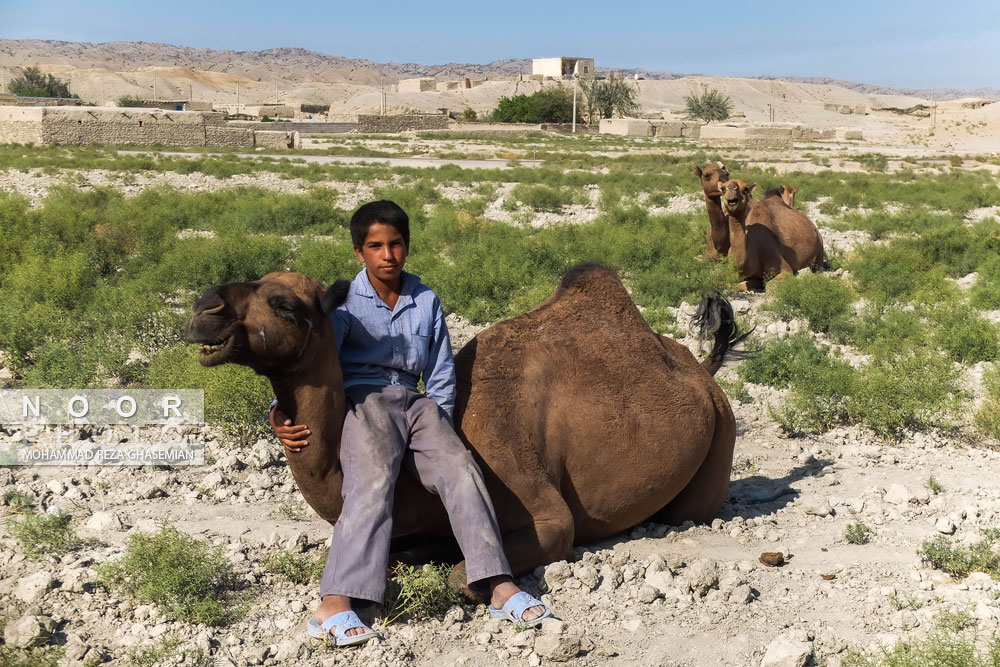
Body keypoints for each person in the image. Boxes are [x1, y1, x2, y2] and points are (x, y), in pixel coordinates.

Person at [270, 200, 551, 647]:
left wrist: (433, 422)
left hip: (416, 401)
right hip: (364, 399)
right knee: (372, 479)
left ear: (407, 246)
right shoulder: (344, 308)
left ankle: (497, 585)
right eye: (375, 246)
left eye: (396, 244)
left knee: (461, 470)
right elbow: (315, 364)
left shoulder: (426, 300)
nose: (388, 255)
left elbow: (439, 374)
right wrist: (280, 409)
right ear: (359, 253)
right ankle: (336, 603)